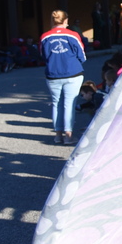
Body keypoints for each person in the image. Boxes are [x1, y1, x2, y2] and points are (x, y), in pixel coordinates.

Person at [40, 10, 87, 145]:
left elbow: (43, 55)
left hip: (52, 73)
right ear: (66, 21)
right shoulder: (73, 35)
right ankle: (68, 135)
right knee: (69, 104)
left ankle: (58, 135)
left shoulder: (45, 37)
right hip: (73, 72)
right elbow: (82, 55)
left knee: (56, 103)